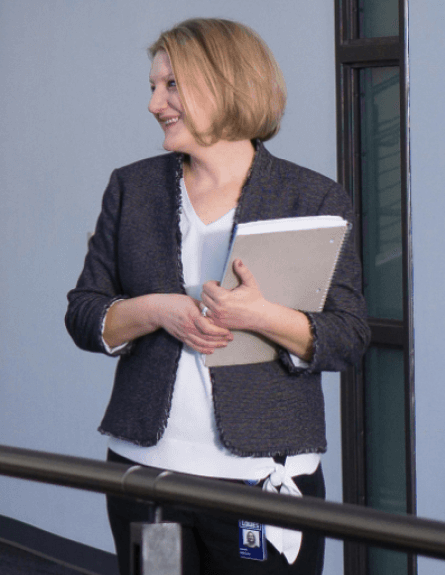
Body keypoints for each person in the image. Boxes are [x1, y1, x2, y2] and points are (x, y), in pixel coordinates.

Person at [64, 18, 368, 575]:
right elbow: (84, 313)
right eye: (153, 87)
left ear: (225, 85)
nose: (154, 103)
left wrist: (262, 316)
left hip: (262, 483)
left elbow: (348, 336)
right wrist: (157, 310)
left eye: (171, 85)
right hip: (147, 481)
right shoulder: (131, 188)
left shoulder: (313, 197)